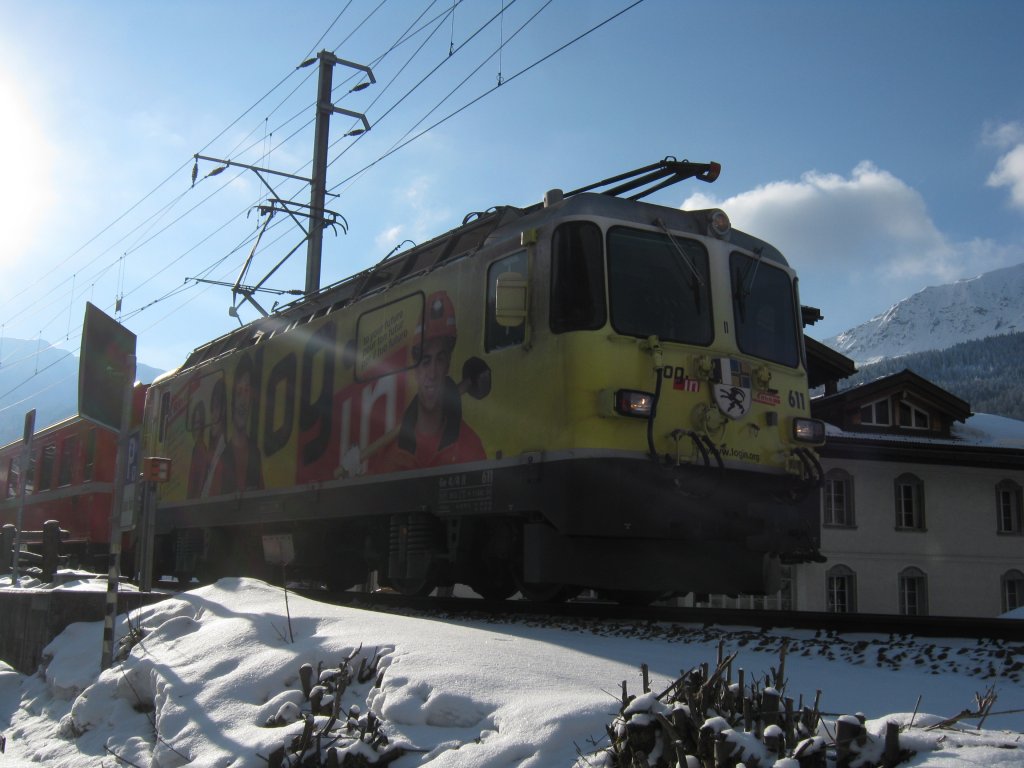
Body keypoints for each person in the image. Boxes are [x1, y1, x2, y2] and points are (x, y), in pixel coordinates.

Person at [369, 291, 485, 472]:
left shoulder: (471, 445)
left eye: (440, 360)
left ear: (448, 365)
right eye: (425, 361)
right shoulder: (389, 453)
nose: (432, 373)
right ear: (415, 370)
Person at [216, 354, 264, 492]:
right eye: (238, 392)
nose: (243, 401)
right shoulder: (222, 456)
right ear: (232, 400)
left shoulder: (255, 453)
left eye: (247, 391)